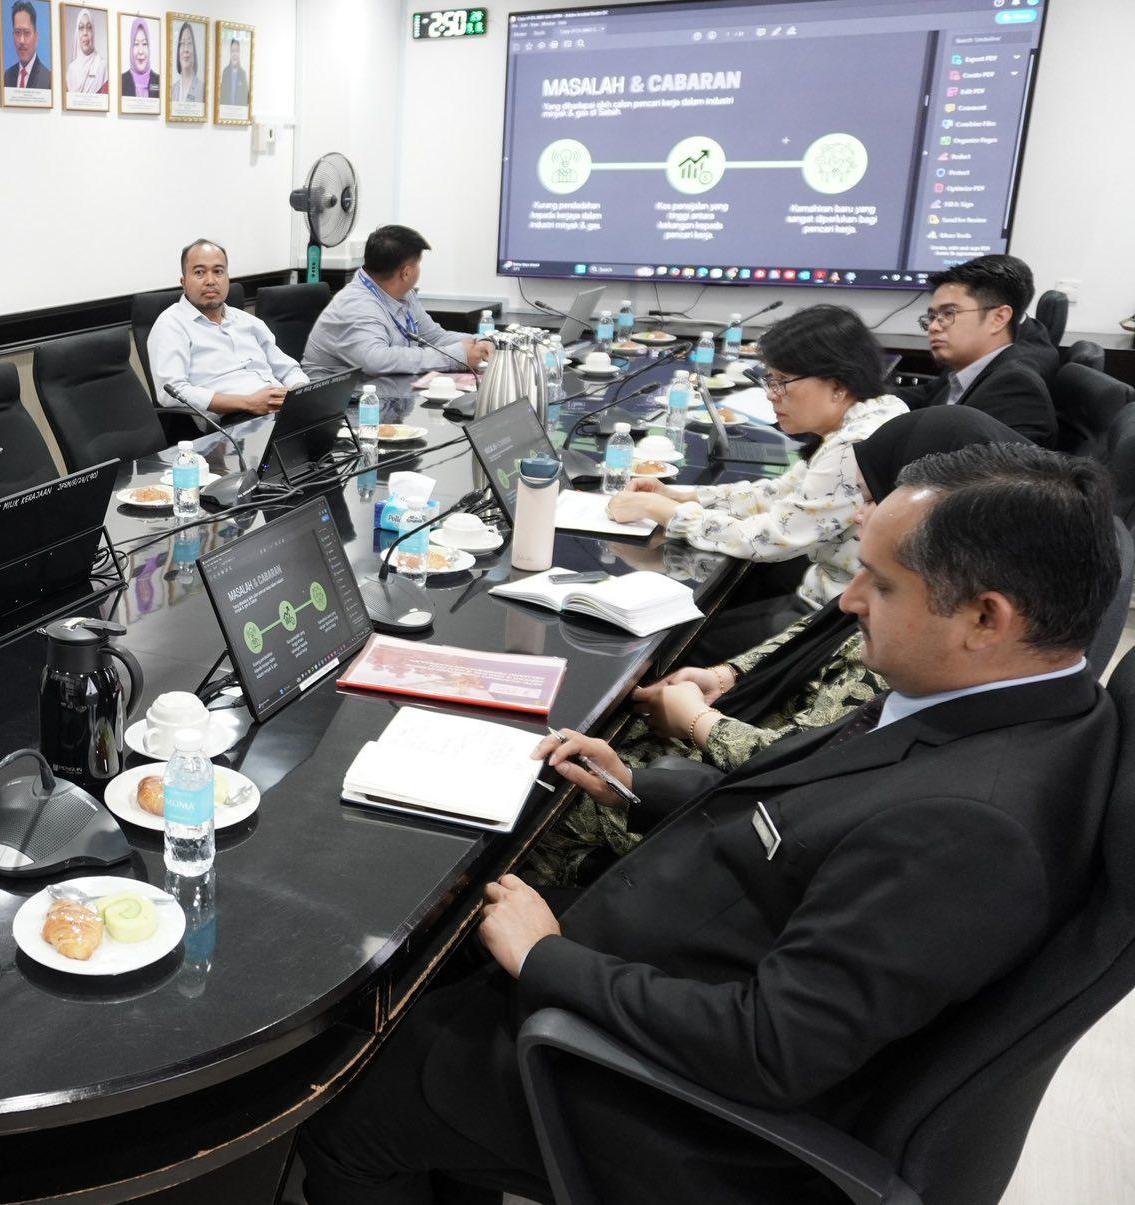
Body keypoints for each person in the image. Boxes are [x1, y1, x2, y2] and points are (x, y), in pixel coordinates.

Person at [302, 442, 1122, 1205]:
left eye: (882, 583)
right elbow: (814, 822)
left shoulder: (971, 826)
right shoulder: (993, 703)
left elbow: (770, 1050)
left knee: (350, 1107)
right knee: (434, 982)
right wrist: (638, 789)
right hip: (668, 963)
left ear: (986, 618)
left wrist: (545, 959)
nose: (849, 601)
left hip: (684, 1118)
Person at [524, 405, 1024, 888]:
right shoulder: (908, 596)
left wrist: (695, 722)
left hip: (727, 807)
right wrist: (726, 675)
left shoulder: (918, 640)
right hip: (730, 742)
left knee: (545, 796)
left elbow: (809, 766)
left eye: (873, 498)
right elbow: (814, 633)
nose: (857, 515)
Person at [605, 304, 908, 650]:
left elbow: (769, 539)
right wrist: (681, 496)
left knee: (666, 645)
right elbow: (781, 493)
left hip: (835, 619)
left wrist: (664, 512)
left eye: (781, 382)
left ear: (837, 385)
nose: (770, 394)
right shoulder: (874, 413)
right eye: (769, 380)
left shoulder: (852, 447)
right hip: (834, 595)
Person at [303, 224, 494, 377]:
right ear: (406, 273)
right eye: (418, 264)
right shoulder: (355, 304)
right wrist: (455, 357)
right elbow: (376, 360)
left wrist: (479, 341)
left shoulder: (403, 294)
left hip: (384, 389)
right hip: (341, 402)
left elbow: (434, 337)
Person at [909, 253, 1057, 446]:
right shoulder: (967, 365)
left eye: (949, 313)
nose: (934, 327)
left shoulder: (1014, 388)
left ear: (998, 318)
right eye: (932, 317)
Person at [149, 239, 307, 417]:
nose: (210, 281)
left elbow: (288, 370)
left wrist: (300, 394)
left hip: (283, 412)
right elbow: (172, 392)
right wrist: (248, 403)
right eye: (199, 272)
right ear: (183, 282)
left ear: (227, 278)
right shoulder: (171, 325)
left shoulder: (248, 321)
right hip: (235, 421)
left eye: (218, 271)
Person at [3, 0, 52, 90]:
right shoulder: (7, 76)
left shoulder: (48, 79)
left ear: (36, 37)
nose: (21, 41)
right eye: (17, 32)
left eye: (26, 33)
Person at [65, 8, 107, 94]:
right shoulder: (71, 69)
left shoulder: (103, 66)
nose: (85, 33)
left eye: (89, 28)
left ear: (93, 32)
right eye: (81, 28)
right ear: (77, 34)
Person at [121, 18, 159, 98]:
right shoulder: (121, 81)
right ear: (131, 48)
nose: (140, 51)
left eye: (144, 44)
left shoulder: (159, 81)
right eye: (136, 44)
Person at [171, 20, 204, 103]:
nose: (186, 49)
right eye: (182, 43)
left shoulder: (202, 89)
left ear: (194, 50)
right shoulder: (172, 90)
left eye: (189, 43)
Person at [218, 35, 249, 105]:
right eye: (233, 51)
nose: (235, 54)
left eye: (237, 51)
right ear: (230, 53)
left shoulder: (243, 73)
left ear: (239, 53)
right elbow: (222, 96)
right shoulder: (225, 72)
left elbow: (245, 98)